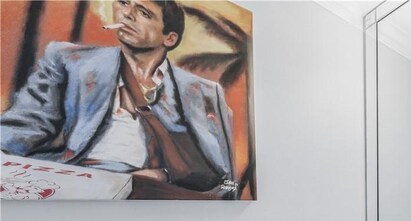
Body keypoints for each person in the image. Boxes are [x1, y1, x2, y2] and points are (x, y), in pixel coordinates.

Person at [1, 0, 236, 197]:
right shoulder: (70, 61)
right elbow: (25, 126)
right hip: (79, 180)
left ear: (170, 38)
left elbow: (221, 175)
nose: (127, 14)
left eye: (144, 13)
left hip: (152, 192)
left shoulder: (200, 91)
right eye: (124, 3)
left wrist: (163, 175)